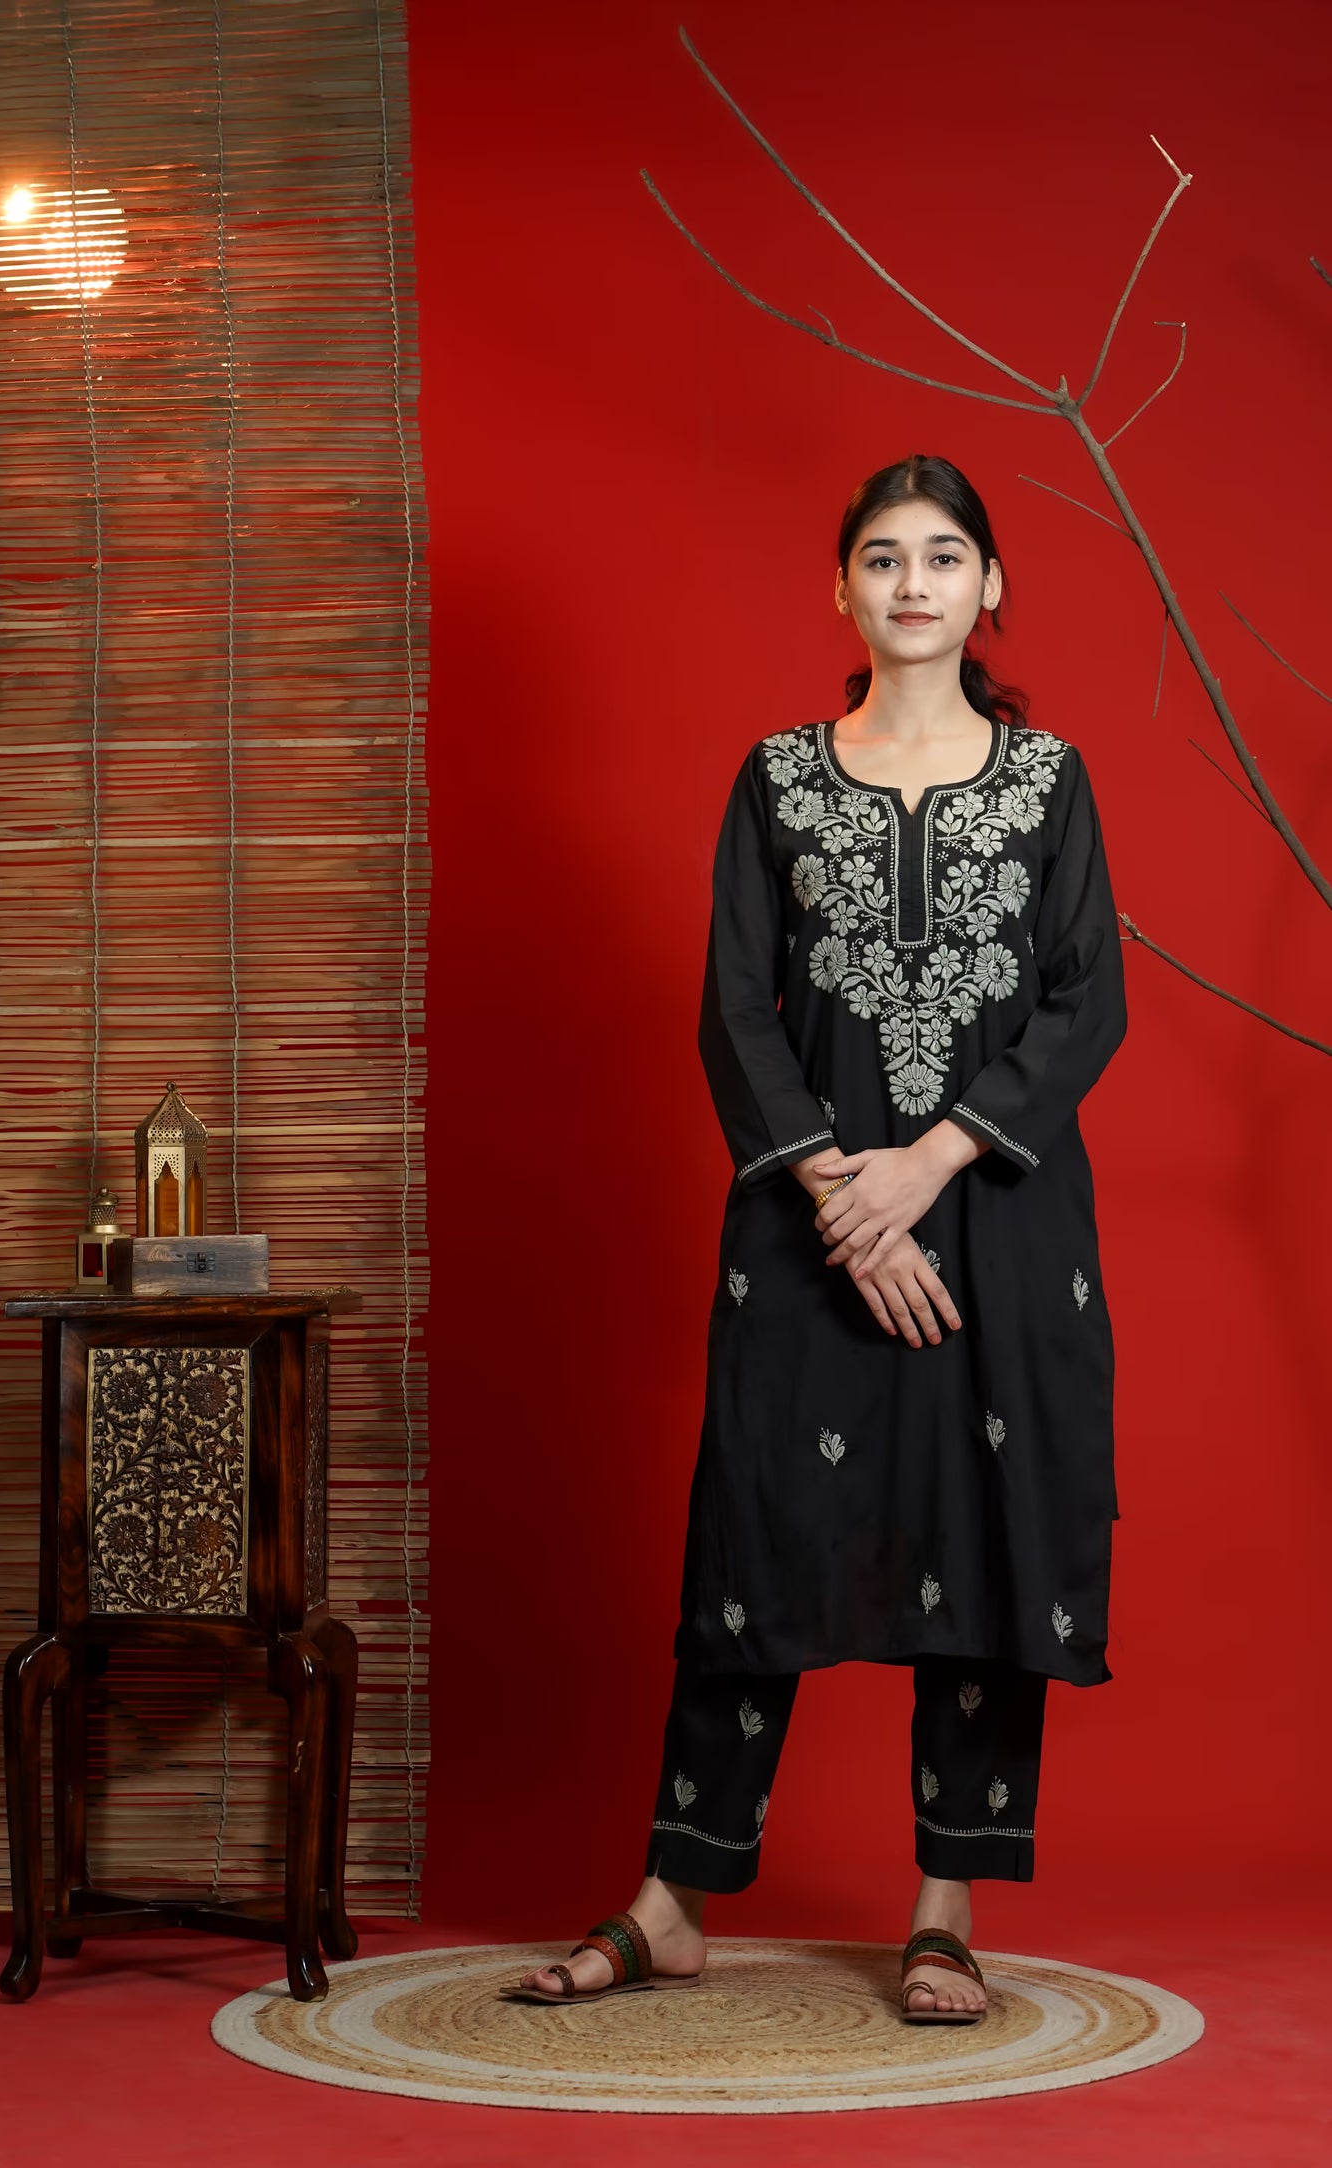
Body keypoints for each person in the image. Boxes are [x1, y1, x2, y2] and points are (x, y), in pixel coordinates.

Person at [503, 452, 1127, 2022]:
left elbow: (1083, 1004)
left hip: (992, 1219)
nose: (911, 583)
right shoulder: (778, 778)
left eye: (941, 557)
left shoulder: (1048, 783)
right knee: (754, 1534)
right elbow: (734, 1007)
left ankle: (942, 1907)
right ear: (838, 591)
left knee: (983, 1532)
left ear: (990, 590)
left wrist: (920, 1170)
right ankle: (676, 1895)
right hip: (805, 1224)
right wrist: (843, 1205)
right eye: (878, 558)